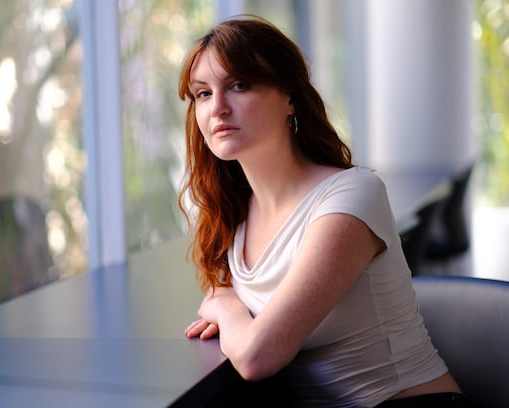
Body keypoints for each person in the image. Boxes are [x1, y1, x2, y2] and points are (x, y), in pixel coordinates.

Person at [177, 16, 468, 407]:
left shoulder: (349, 197)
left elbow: (255, 356)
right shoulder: (234, 213)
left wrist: (228, 307)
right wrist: (225, 299)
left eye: (239, 85)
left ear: (290, 98)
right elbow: (222, 290)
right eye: (203, 93)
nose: (219, 108)